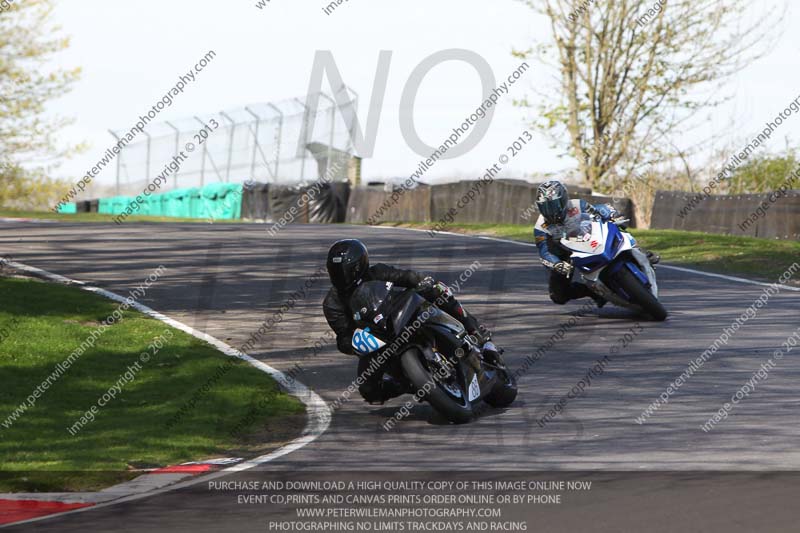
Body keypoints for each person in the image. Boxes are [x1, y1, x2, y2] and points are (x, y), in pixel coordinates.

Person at [322, 239, 493, 404]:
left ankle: (476, 332)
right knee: (368, 390)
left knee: (437, 291)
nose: (342, 277)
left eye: (346, 271)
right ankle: (408, 383)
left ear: (359, 266)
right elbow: (343, 334)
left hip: (401, 313)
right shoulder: (332, 304)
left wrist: (423, 281)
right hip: (378, 339)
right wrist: (352, 343)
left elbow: (406, 277)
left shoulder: (377, 272)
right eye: (336, 272)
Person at [533, 180, 659, 306]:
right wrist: (556, 263)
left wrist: (612, 215)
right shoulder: (540, 227)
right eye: (545, 206)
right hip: (563, 254)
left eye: (554, 205)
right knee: (558, 296)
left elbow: (597, 211)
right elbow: (545, 251)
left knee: (618, 228)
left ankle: (641, 252)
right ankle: (593, 291)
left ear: (564, 199)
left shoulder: (576, 205)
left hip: (586, 237)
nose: (551, 210)